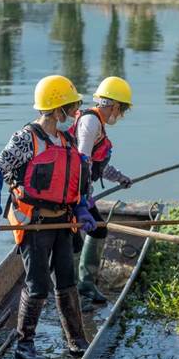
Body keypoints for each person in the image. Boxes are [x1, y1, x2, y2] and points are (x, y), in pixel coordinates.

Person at [0, 75, 97, 359]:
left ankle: (77, 340)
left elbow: (78, 181)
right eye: (69, 107)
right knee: (38, 283)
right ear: (55, 109)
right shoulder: (26, 139)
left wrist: (82, 209)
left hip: (63, 222)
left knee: (67, 280)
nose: (73, 112)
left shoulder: (67, 139)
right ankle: (24, 344)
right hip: (34, 223)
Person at [67, 76, 133, 306]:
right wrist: (82, 200)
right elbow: (82, 161)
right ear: (114, 105)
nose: (121, 115)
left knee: (98, 231)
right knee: (76, 239)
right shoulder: (91, 122)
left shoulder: (97, 124)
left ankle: (85, 283)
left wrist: (119, 177)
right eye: (121, 109)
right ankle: (72, 289)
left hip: (82, 191)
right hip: (72, 194)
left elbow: (97, 164)